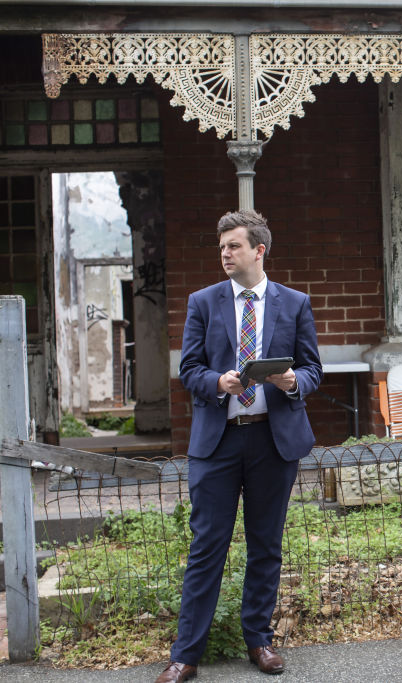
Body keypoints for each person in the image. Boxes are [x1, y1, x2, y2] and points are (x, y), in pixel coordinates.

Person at [157, 209, 323, 683]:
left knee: (266, 545)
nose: (225, 253)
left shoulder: (294, 303)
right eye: (222, 247)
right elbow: (188, 369)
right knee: (207, 545)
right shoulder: (203, 302)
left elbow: (314, 369)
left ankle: (259, 641)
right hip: (219, 441)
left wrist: (293, 381)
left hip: (273, 441)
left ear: (258, 249)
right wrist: (218, 381)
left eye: (233, 246)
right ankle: (185, 655)